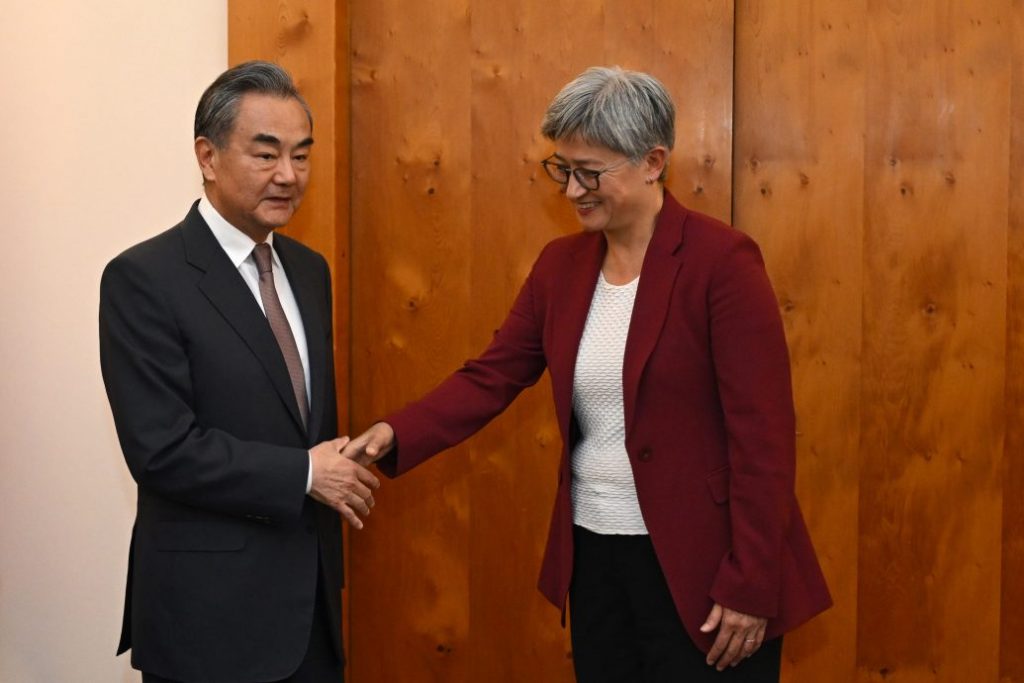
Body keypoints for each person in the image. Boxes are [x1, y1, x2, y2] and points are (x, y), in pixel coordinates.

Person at [343, 66, 831, 682]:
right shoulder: (560, 267)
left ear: (653, 162)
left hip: (708, 566)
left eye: (590, 172)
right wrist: (394, 432)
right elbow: (490, 376)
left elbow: (763, 439)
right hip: (595, 558)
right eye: (563, 169)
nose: (573, 190)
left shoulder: (722, 263)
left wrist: (752, 583)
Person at [99, 61, 379, 683]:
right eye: (266, 154)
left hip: (309, 616)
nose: (288, 175)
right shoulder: (144, 279)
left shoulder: (308, 270)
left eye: (301, 156)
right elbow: (161, 450)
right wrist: (307, 472)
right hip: (206, 621)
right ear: (208, 155)